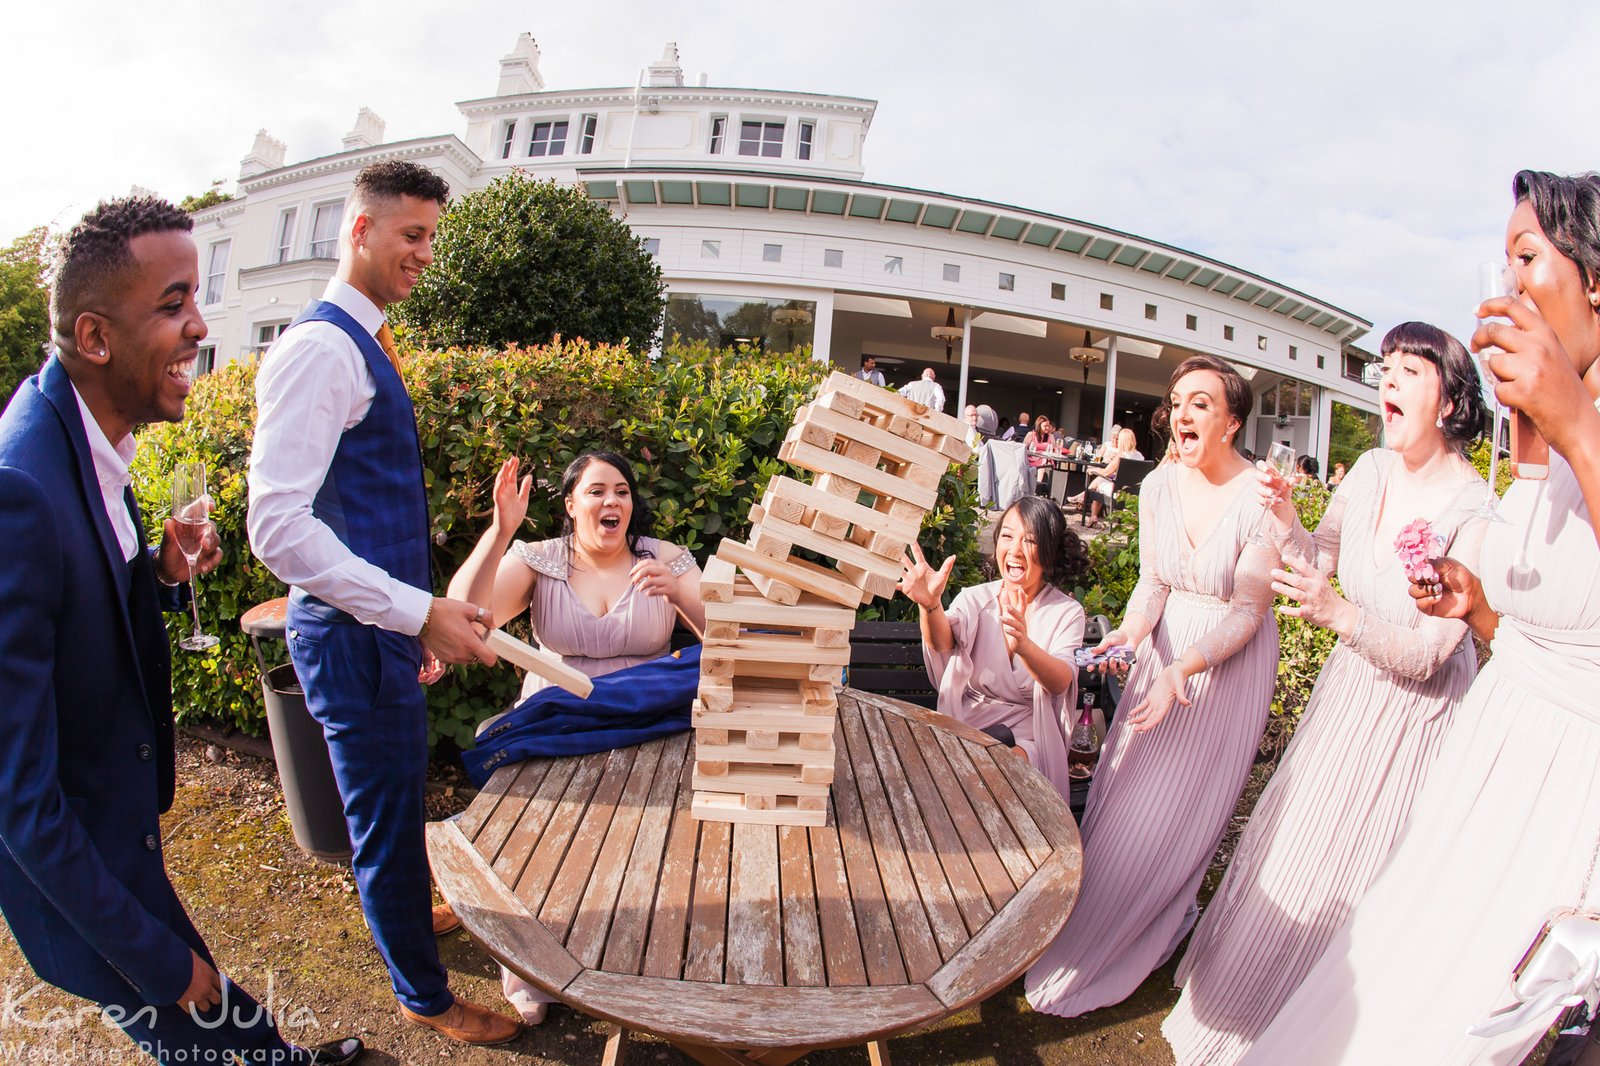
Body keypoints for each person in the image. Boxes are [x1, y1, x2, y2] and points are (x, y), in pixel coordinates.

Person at [1242, 170, 1600, 1066]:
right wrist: (1477, 606)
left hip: (1562, 787)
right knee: (1384, 997)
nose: (1510, 289)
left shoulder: (1567, 431)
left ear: (1595, 275)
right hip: (1483, 767)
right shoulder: (1529, 451)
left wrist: (1574, 421)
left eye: (1528, 260)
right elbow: (1539, 623)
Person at [0, 197, 362, 1064]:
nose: (201, 327)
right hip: (73, 858)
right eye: (173, 304)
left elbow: (73, 610)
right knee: (195, 1012)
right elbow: (14, 793)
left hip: (116, 824)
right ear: (96, 338)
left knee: (217, 1016)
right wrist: (155, 961)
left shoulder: (88, 431)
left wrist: (157, 572)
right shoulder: (18, 491)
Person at [1164, 322, 1490, 1065]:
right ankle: (1240, 1007)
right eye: (1387, 368)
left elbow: (1436, 651)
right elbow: (1321, 558)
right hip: (1347, 698)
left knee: (1360, 872)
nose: (1389, 382)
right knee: (1292, 852)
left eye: (1410, 370)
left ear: (1448, 399)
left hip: (1414, 722)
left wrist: (1339, 613)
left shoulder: (1474, 511)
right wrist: (1284, 515)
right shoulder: (1371, 468)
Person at [246, 161, 520, 1047]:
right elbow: (277, 529)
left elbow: (359, 510)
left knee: (398, 799)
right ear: (360, 230)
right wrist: (412, 614)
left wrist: (413, 620)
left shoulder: (366, 339)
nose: (424, 255)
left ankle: (407, 911)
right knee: (383, 816)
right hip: (351, 639)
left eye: (431, 236)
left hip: (381, 636)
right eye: (411, 235)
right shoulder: (321, 349)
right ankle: (423, 997)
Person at [1025, 354, 1279, 1017]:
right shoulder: (1161, 483)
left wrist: (1181, 668)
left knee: (1186, 810)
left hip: (1224, 665)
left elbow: (1251, 611)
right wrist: (1132, 637)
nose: (1182, 413)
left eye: (1201, 402)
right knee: (1126, 794)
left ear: (1232, 421)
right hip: (1161, 652)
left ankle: (1153, 920)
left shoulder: (1261, 496)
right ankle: (1119, 918)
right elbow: (1154, 582)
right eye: (1177, 400)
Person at [447, 450, 702, 1022]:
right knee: (544, 847)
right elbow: (467, 612)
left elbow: (729, 640)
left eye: (622, 491)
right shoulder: (540, 560)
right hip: (557, 723)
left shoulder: (664, 558)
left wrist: (682, 595)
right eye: (595, 491)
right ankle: (535, 971)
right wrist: (499, 530)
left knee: (646, 849)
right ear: (569, 504)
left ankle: (633, 963)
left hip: (648, 721)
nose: (611, 501)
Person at [900, 496, 1088, 795]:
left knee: (1001, 771)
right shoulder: (975, 599)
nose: (1014, 551)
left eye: (1030, 540)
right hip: (967, 723)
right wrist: (930, 605)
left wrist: (1025, 646)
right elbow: (941, 642)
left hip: (1030, 731)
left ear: (1050, 551)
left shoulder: (1065, 612)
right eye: (1007, 536)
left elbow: (1061, 681)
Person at [1069, 427, 1145, 526]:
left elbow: (1105, 472)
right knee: (1100, 481)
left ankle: (1091, 512)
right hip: (1133, 493)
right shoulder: (1140, 457)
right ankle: (1083, 496)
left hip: (1117, 493)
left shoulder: (1121, 456)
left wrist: (1093, 470)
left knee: (1099, 481)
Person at [1023, 415, 1057, 492]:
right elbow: (1023, 448)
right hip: (1031, 458)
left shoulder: (1050, 436)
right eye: (1045, 426)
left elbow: (1053, 449)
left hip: (1045, 459)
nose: (1047, 428)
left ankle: (1037, 486)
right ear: (1039, 425)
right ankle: (1034, 486)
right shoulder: (1031, 434)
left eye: (1048, 426)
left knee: (1044, 460)